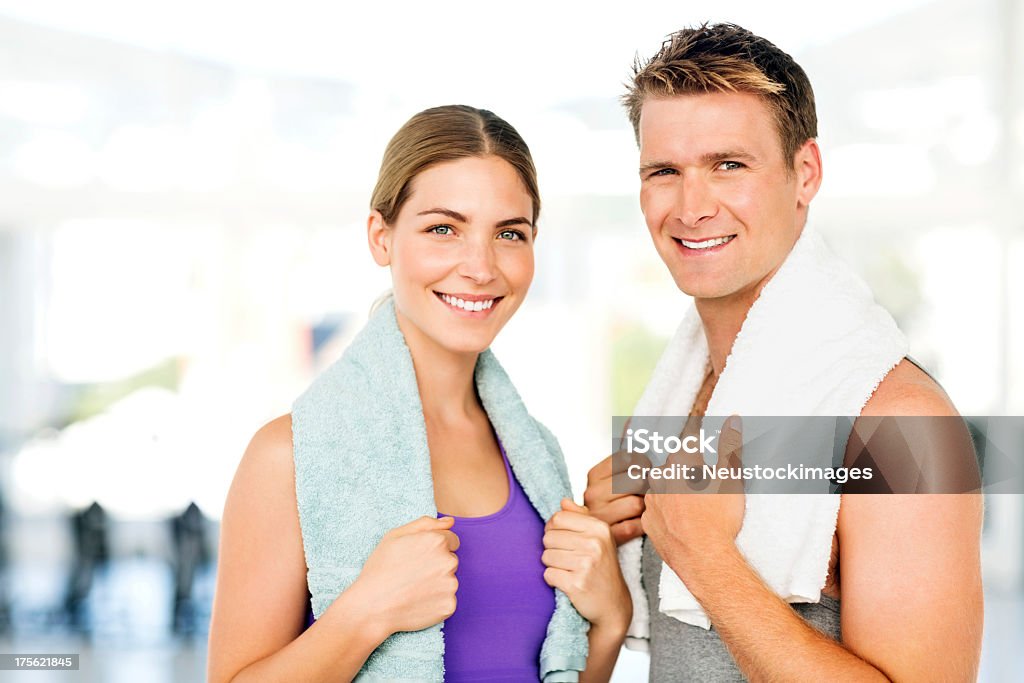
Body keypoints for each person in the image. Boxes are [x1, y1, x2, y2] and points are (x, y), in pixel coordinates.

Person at [584, 24, 983, 681]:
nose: (691, 206)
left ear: (806, 173)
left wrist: (704, 555)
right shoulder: (688, 393)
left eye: (728, 165)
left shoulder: (902, 423)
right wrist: (615, 539)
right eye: (664, 172)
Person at [208, 105, 631, 683]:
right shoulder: (286, 457)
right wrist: (365, 612)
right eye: (443, 229)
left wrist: (609, 622)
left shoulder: (539, 461)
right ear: (381, 238)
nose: (480, 268)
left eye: (510, 234)